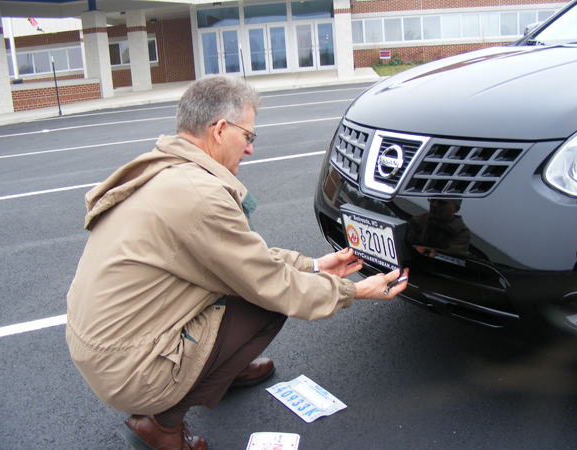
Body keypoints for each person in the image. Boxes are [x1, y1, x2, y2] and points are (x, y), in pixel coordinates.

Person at [66, 75, 409, 450]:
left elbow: (237, 258)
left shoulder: (166, 169)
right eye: (248, 137)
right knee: (268, 308)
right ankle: (161, 426)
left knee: (249, 290)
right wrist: (354, 291)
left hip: (106, 347)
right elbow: (271, 284)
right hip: (132, 368)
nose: (249, 150)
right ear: (219, 130)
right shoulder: (200, 196)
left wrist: (313, 265)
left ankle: (220, 369)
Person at [406, 198, 471, 257]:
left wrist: (428, 250)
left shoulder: (461, 232)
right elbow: (403, 245)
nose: (434, 205)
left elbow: (453, 257)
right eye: (432, 200)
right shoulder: (418, 221)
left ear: (456, 208)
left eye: (442, 203)